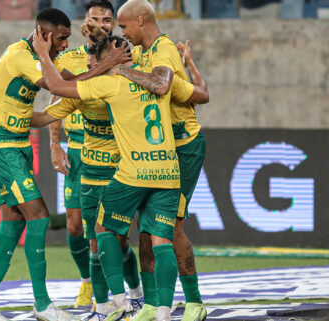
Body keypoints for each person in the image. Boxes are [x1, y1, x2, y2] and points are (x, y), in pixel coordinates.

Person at [0, 8, 128, 321]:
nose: (66, 46)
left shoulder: (42, 57)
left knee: (13, 222)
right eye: (62, 39)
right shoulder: (21, 57)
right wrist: (109, 63)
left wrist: (74, 97)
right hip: (1, 146)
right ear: (44, 35)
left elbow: (68, 86)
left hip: (17, 144)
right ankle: (43, 305)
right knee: (39, 217)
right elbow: (58, 86)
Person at [32, 32, 198, 321]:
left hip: (132, 172)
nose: (90, 65)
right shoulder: (159, 78)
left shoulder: (109, 83)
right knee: (161, 241)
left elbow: (57, 85)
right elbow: (201, 95)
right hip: (168, 171)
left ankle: (120, 303)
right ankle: (162, 311)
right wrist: (191, 67)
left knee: (103, 231)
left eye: (95, 60)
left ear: (108, 58)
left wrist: (43, 55)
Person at [112, 1, 209, 321]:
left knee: (171, 227)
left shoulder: (164, 51)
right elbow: (198, 94)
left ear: (140, 21)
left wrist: (122, 70)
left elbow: (163, 85)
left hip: (183, 147)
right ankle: (153, 304)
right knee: (146, 228)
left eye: (124, 26)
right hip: (157, 151)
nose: (122, 32)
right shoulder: (145, 51)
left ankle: (194, 301)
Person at [47, 0, 143, 311]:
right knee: (77, 227)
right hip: (79, 149)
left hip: (118, 153)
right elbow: (56, 94)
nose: (101, 23)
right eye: (95, 18)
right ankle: (90, 285)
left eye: (107, 18)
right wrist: (54, 143)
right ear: (85, 23)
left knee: (114, 237)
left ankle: (130, 291)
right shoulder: (72, 57)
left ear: (114, 24)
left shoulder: (127, 57)